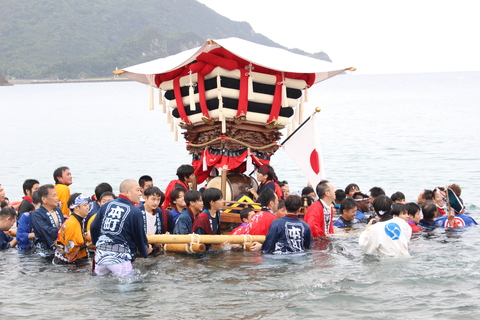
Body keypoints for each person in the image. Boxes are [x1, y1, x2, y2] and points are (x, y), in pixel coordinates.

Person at [90, 179, 152, 277]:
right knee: (128, 288)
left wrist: (96, 244)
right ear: (127, 192)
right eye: (137, 190)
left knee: (100, 286)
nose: (140, 193)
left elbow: (93, 227)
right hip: (119, 257)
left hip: (100, 255)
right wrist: (144, 251)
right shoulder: (135, 211)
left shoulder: (106, 205)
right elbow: (139, 236)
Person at [53, 193, 89, 264]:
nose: (88, 207)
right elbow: (70, 250)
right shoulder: (72, 224)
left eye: (87, 204)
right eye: (85, 205)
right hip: (66, 264)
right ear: (76, 208)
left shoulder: (76, 220)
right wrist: (88, 244)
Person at [31, 184, 65, 257]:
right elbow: (46, 231)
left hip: (59, 248)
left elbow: (63, 225)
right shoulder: (37, 214)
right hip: (44, 251)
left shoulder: (58, 210)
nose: (57, 198)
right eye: (54, 196)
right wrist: (64, 230)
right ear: (44, 199)